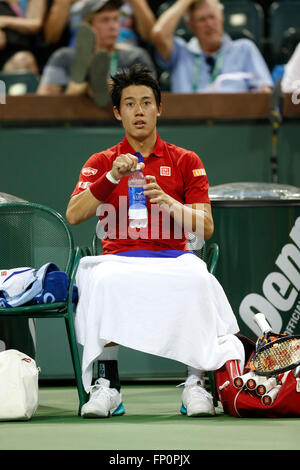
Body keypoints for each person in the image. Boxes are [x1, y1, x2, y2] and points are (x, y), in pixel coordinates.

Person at [66, 63, 245, 418]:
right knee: (101, 281)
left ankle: (196, 384)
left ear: (159, 108)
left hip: (174, 259)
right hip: (118, 259)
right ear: (118, 112)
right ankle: (109, 386)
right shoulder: (101, 161)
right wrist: (109, 179)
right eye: (130, 104)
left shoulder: (186, 160)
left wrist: (170, 202)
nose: (139, 111)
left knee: (198, 279)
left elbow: (205, 228)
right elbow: (73, 214)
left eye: (146, 102)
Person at [37, 0, 156, 107]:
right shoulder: (63, 57)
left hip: (123, 119)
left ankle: (93, 84)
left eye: (116, 19)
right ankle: (83, 85)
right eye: (105, 20)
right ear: (88, 26)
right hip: (72, 120)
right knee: (75, 89)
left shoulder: (135, 56)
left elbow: (150, 97)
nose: (113, 26)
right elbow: (43, 101)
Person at [151, 0, 273, 93]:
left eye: (212, 17)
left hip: (237, 122)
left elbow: (265, 93)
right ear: (190, 25)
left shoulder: (244, 49)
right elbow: (158, 34)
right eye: (201, 20)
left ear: (221, 18)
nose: (209, 24)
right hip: (188, 122)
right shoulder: (180, 52)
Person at [0, 0, 46, 72]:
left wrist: (4, 21)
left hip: (27, 49)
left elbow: (35, 25)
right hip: (6, 52)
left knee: (23, 60)